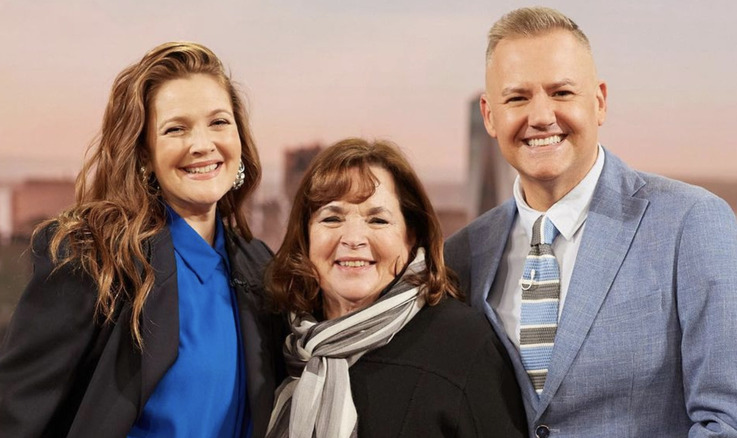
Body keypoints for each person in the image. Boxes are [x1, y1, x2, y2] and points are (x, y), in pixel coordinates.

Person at [444, 6, 737, 438]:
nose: (541, 116)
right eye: (517, 97)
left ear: (599, 101)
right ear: (490, 115)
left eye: (562, 92)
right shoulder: (464, 255)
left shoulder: (691, 224)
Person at [0, 42, 285, 437]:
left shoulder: (259, 265)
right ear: (145, 155)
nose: (202, 145)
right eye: (175, 129)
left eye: (219, 122)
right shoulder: (92, 257)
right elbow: (18, 415)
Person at [263, 138, 527, 438]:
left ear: (411, 235)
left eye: (377, 220)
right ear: (305, 236)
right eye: (332, 218)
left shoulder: (463, 345)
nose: (353, 238)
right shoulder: (278, 342)